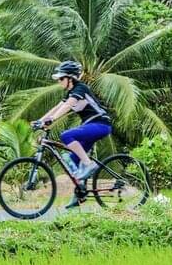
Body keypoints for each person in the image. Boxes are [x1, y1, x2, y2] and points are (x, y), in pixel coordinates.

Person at [33, 61, 113, 207]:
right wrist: (40, 120)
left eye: (61, 78)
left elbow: (68, 105)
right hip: (90, 126)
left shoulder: (80, 88)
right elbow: (58, 107)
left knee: (66, 135)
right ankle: (79, 194)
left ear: (71, 78)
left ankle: (89, 165)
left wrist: (52, 119)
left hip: (101, 124)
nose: (59, 81)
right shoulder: (70, 93)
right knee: (73, 160)